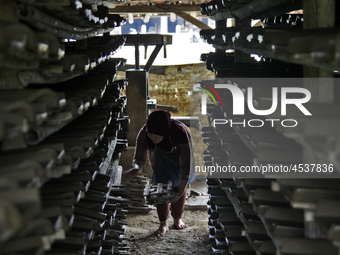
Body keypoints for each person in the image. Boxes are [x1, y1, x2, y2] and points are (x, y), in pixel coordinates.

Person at [123, 110, 195, 235]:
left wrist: (180, 190)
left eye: (157, 135)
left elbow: (185, 168)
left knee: (178, 184)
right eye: (151, 134)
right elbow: (139, 158)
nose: (153, 137)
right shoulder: (144, 132)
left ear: (165, 131)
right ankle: (163, 223)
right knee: (160, 185)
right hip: (160, 156)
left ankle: (177, 219)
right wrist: (135, 169)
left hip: (179, 157)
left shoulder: (179, 131)